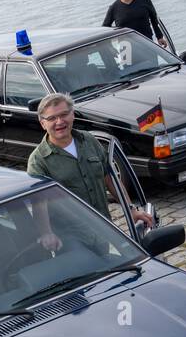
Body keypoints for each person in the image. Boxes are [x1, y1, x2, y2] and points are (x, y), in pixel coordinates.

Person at [26, 92, 153, 246]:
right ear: (42, 123)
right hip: (71, 239)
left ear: (72, 115)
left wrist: (130, 209)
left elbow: (110, 178)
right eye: (52, 118)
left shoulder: (90, 140)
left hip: (103, 228)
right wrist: (46, 233)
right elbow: (39, 203)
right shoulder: (38, 161)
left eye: (64, 114)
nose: (59, 122)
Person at [102, 0, 168, 48]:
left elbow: (154, 20)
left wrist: (159, 37)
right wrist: (110, 47)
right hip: (126, 48)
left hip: (147, 42)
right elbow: (105, 29)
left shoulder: (144, 0)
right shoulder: (114, 8)